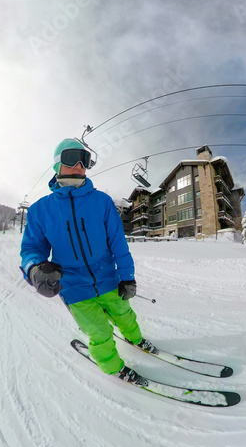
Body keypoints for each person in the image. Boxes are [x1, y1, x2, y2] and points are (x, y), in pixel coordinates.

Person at [20, 138, 153, 382]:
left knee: (125, 315)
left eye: (85, 160)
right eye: (72, 158)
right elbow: (31, 247)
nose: (80, 165)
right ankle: (114, 367)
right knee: (99, 330)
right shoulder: (41, 210)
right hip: (73, 287)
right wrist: (35, 268)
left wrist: (128, 276)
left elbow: (118, 242)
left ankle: (136, 339)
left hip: (108, 279)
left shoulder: (101, 202)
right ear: (57, 164)